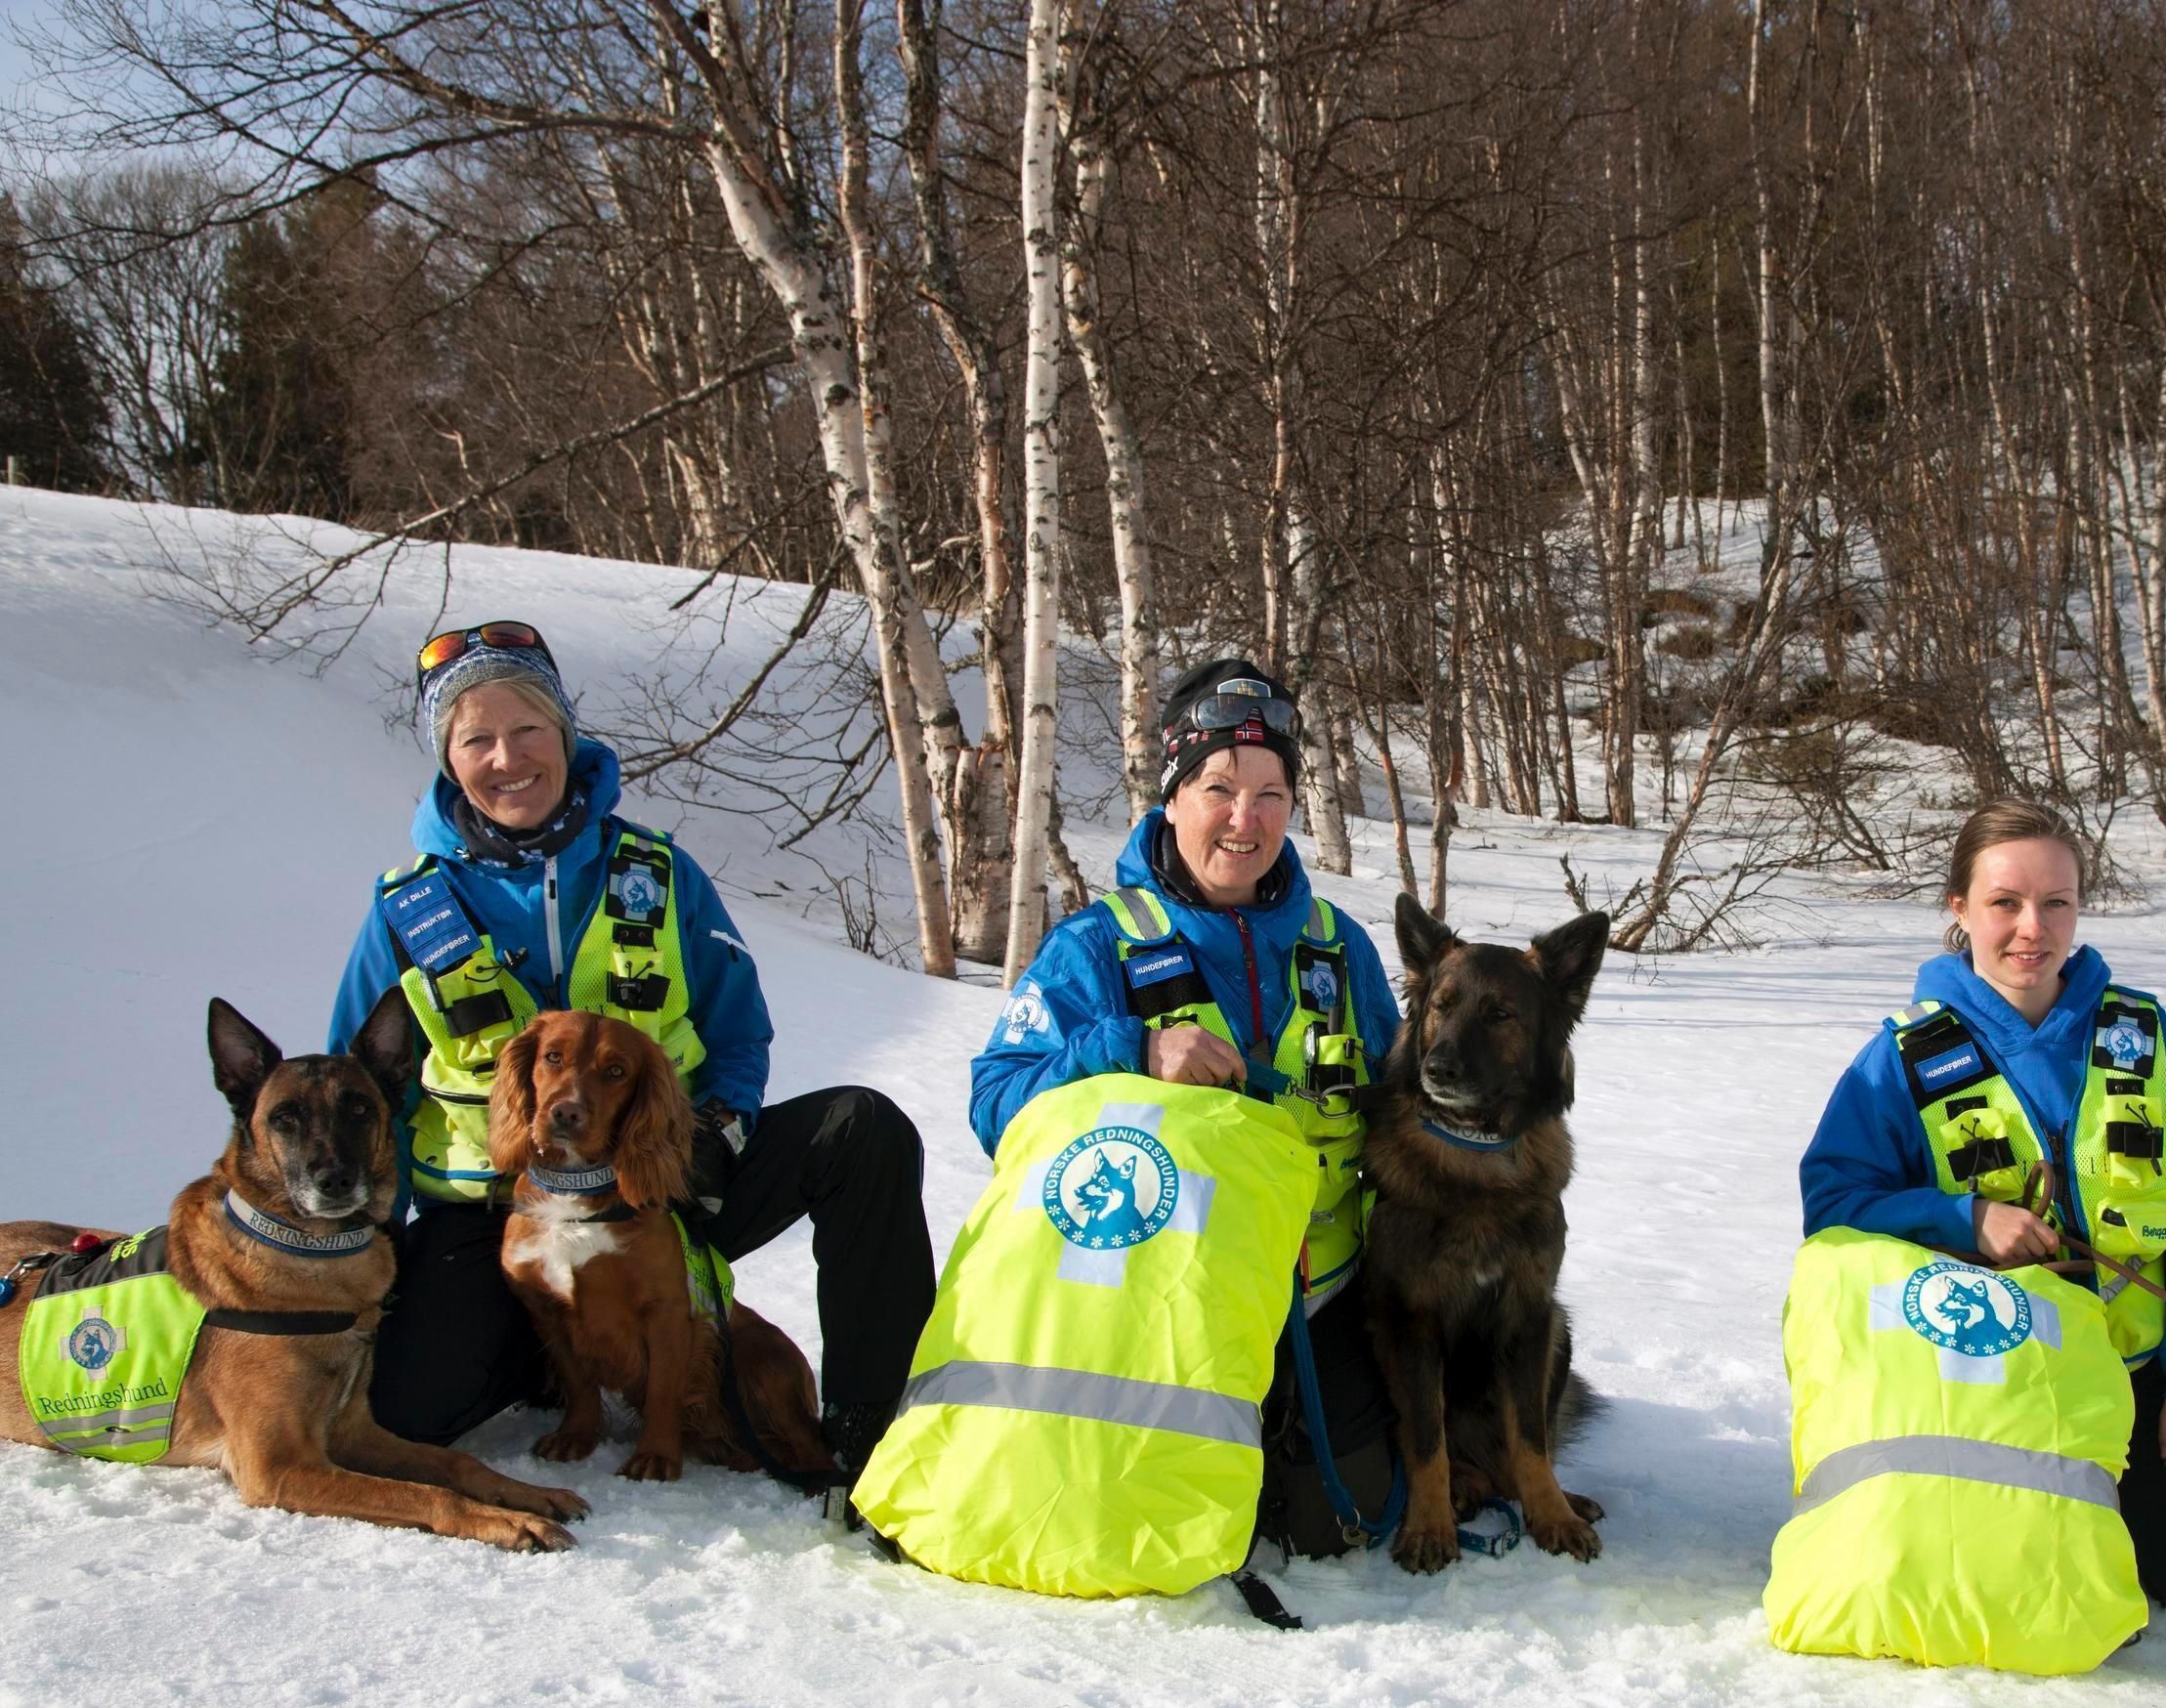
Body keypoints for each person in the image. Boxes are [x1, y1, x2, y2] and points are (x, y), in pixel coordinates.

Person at [327, 619, 936, 1491]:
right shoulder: (410, 906)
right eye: (477, 739)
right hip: (496, 1212)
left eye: (528, 728)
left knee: (862, 1128)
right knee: (401, 1410)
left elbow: (737, 1032)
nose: (507, 758)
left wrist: (715, 1133)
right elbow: (358, 1091)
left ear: (564, 732)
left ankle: (869, 1426)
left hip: (661, 1178)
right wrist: (365, 1247)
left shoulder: (656, 872)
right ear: (449, 760)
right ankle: (553, 1346)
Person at [1797, 796, 2166, 1634]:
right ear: (1960, 909)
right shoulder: (1902, 1055)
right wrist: (1961, 1218)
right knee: (2015, 1599)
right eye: (2004, 902)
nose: (2032, 928)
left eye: (2055, 902)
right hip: (1987, 1389)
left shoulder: (2143, 1038)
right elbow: (1833, 1206)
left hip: (2139, 1383)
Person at [967, 658, 1404, 1555]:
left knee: (1334, 1525)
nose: (1245, 819)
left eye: (1270, 794)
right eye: (1218, 789)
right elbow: (997, 1106)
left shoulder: (1339, 948)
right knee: (1177, 1521)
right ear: (1170, 799)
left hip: (1322, 1299)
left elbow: (1401, 1117)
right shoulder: (1099, 944)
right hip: (1160, 1311)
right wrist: (1128, 1050)